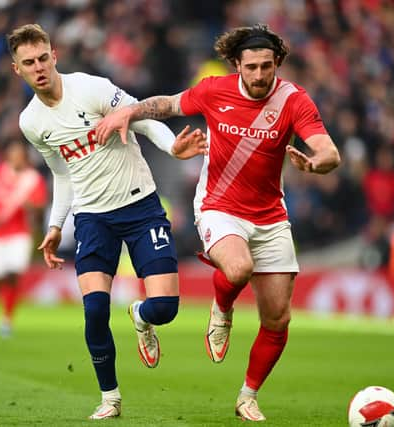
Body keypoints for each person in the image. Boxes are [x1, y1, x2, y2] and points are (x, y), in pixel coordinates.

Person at [97, 23, 341, 421]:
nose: (260, 75)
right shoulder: (214, 90)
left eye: (267, 67)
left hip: (271, 215)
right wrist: (130, 110)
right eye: (252, 67)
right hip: (219, 206)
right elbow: (169, 104)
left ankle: (248, 395)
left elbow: (329, 151)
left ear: (277, 62)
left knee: (278, 318)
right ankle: (222, 308)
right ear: (237, 66)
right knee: (239, 267)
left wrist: (317, 164)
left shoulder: (294, 100)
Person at [6, 24, 207, 420]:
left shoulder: (91, 88)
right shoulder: (31, 122)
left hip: (141, 206)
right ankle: (110, 397)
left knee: (165, 307)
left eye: (43, 57)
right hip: (92, 218)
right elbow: (62, 173)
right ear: (18, 70)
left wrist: (172, 146)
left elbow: (141, 118)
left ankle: (140, 317)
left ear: (54, 55)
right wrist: (55, 225)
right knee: (95, 310)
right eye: (29, 62)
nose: (39, 67)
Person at [0, 140, 47, 337]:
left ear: (24, 157)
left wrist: (30, 207)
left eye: (19, 154)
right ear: (8, 155)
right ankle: (2, 302)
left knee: (14, 275)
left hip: (19, 233)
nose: (16, 158)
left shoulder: (33, 179)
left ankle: (7, 318)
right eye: (12, 154)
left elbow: (41, 207)